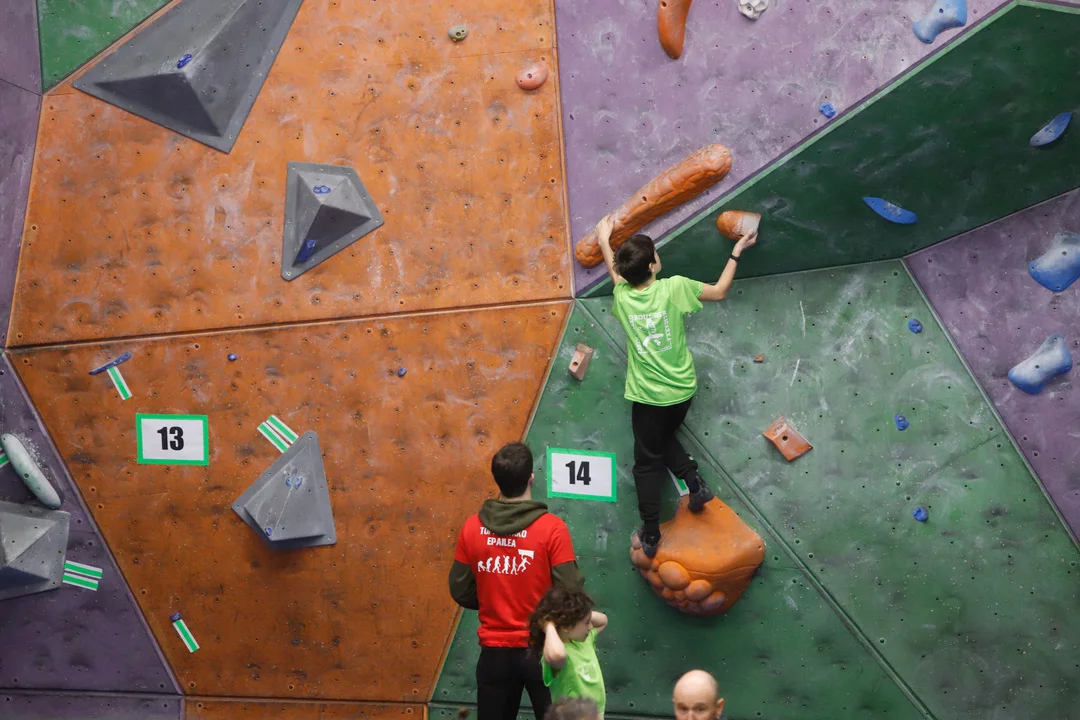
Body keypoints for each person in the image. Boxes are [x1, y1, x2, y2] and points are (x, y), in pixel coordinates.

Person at [595, 215, 758, 557]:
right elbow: (719, 290)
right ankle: (692, 487)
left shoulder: (622, 297)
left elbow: (616, 273)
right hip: (682, 391)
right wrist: (737, 251)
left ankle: (653, 530)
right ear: (652, 265)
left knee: (646, 461)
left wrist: (604, 240)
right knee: (658, 439)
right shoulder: (674, 287)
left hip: (648, 398)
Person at [449, 442, 586, 720]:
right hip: (543, 651)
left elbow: (460, 589)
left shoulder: (471, 528)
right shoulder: (552, 529)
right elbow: (571, 592)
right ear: (530, 478)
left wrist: (494, 597)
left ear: (497, 480)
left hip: (493, 656)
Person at [529, 587, 608, 718]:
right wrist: (548, 625)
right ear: (566, 626)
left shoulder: (585, 641)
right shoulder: (555, 651)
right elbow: (557, 656)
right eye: (586, 623)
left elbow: (603, 620)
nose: (590, 626)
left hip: (594, 715)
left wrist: (581, 610)